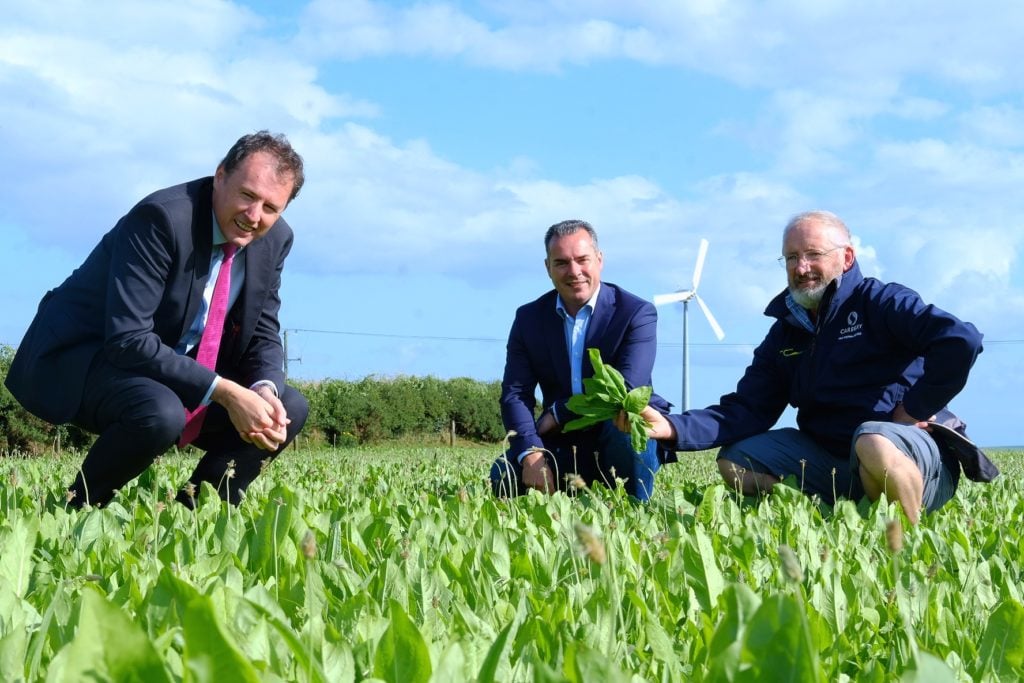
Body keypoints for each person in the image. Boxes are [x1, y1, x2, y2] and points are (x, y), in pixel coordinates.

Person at [5, 131, 309, 508]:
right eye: (247, 195)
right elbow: (128, 338)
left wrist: (264, 390)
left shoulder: (275, 239)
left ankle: (193, 514)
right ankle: (78, 508)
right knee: (160, 411)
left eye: (270, 207)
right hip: (86, 356)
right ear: (220, 176)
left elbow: (263, 330)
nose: (253, 216)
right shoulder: (162, 218)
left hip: (169, 366)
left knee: (288, 407)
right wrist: (228, 393)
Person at [631, 210, 988, 524]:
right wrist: (672, 427)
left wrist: (914, 408)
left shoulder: (882, 303)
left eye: (813, 255)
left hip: (908, 453)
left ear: (847, 258)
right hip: (831, 458)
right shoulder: (786, 332)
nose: (801, 268)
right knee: (737, 461)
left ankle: (904, 543)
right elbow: (747, 409)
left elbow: (960, 341)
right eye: (791, 257)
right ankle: (832, 521)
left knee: (872, 440)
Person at [490, 219, 673, 502]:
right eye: (561, 262)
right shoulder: (529, 319)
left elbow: (624, 390)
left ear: (599, 260)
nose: (574, 271)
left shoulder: (635, 313)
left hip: (618, 431)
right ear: (547, 268)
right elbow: (515, 394)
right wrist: (532, 454)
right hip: (564, 441)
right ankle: (562, 495)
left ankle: (636, 508)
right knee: (503, 475)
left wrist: (561, 411)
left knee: (625, 430)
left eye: (582, 260)